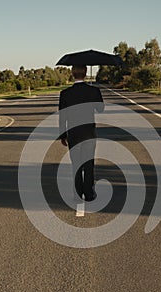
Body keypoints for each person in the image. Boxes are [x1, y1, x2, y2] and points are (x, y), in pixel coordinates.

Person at [59, 65, 104, 202]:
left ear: (73, 73)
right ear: (85, 73)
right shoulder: (93, 91)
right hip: (89, 133)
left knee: (76, 165)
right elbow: (100, 109)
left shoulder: (65, 93)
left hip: (73, 134)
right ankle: (89, 194)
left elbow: (62, 117)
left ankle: (77, 195)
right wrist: (93, 95)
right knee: (89, 164)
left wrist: (63, 135)